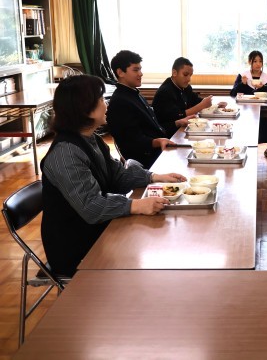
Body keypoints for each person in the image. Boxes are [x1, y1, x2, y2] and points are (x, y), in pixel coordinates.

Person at [40, 75, 186, 276]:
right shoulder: (66, 154)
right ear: (85, 108)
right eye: (101, 99)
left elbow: (118, 175)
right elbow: (91, 207)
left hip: (98, 230)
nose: (106, 105)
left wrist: (154, 177)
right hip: (77, 247)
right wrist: (136, 205)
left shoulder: (91, 139)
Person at [106, 50, 175, 169]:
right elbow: (132, 141)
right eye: (135, 70)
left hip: (159, 149)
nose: (141, 74)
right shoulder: (120, 101)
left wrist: (178, 122)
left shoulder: (133, 93)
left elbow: (153, 125)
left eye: (140, 69)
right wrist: (158, 141)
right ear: (120, 72)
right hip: (146, 161)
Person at [152, 57, 227, 137]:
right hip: (167, 134)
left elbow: (197, 101)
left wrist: (215, 105)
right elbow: (179, 115)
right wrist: (202, 105)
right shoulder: (165, 91)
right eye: (185, 75)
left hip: (182, 129)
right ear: (174, 73)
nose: (189, 79)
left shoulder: (186, 87)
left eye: (190, 75)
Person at [230, 51, 267, 158]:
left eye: (260, 61)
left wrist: (264, 87)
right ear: (250, 62)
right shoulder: (243, 76)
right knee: (241, 123)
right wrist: (242, 84)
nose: (258, 64)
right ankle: (243, 147)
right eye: (255, 61)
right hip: (246, 109)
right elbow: (233, 93)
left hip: (264, 109)